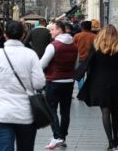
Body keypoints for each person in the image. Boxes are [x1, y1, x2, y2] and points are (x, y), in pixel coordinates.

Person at [0, 20, 45, 151]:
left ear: (5, 35)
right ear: (23, 35)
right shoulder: (31, 55)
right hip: (25, 113)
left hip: (2, 112)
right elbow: (39, 83)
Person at [74, 25, 118, 151]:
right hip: (117, 84)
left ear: (102, 34)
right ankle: (116, 137)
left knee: (105, 112)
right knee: (115, 111)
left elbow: (87, 62)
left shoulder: (96, 48)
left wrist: (77, 76)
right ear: (115, 35)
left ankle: (111, 142)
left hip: (100, 84)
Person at [40, 20, 78, 149]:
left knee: (51, 110)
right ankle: (63, 137)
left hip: (54, 81)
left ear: (60, 30)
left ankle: (57, 137)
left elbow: (42, 64)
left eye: (53, 29)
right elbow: (76, 64)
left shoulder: (53, 45)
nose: (50, 31)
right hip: (68, 82)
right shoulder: (74, 45)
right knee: (65, 111)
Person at [73, 21, 96, 90]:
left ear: (82, 27)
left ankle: (81, 90)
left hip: (80, 58)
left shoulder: (77, 36)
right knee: (90, 75)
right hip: (91, 59)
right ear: (90, 27)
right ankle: (89, 90)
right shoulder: (95, 37)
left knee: (80, 76)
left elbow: (73, 47)